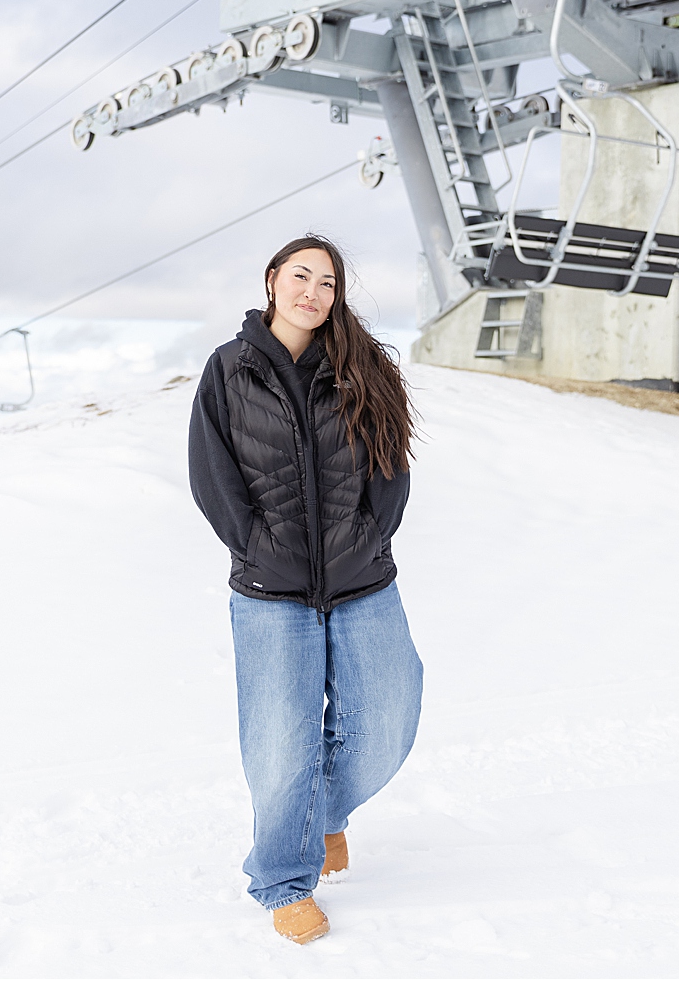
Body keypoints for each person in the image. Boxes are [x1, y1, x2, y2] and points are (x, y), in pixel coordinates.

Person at [188, 234, 423, 945]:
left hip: (362, 580)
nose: (313, 292)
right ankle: (284, 877)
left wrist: (371, 537)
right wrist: (257, 546)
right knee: (278, 745)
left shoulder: (364, 366)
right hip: (270, 590)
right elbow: (212, 472)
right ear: (271, 281)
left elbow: (391, 463)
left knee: (388, 721)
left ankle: (320, 815)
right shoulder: (228, 370)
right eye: (301, 276)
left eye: (327, 282)